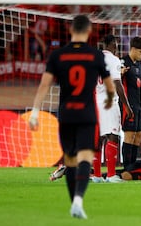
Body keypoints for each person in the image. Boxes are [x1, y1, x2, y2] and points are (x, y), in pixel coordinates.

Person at [28, 15, 115, 219]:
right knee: (85, 157)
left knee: (69, 159)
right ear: (89, 31)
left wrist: (34, 111)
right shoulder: (95, 55)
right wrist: (110, 99)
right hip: (86, 113)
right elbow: (109, 85)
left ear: (70, 30)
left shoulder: (58, 55)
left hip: (66, 113)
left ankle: (73, 202)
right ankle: (78, 200)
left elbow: (44, 85)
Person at [91, 34, 133, 183]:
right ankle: (110, 175)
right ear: (112, 44)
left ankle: (96, 175)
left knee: (99, 138)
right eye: (116, 43)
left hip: (96, 101)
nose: (117, 46)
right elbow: (117, 84)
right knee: (113, 136)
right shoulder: (114, 60)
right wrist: (127, 106)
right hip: (109, 102)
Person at [120, 37, 141, 169]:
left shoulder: (139, 65)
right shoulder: (123, 62)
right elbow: (114, 80)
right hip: (127, 106)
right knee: (129, 135)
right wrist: (120, 74)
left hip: (138, 105)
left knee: (139, 135)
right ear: (134, 49)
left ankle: (132, 167)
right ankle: (127, 167)